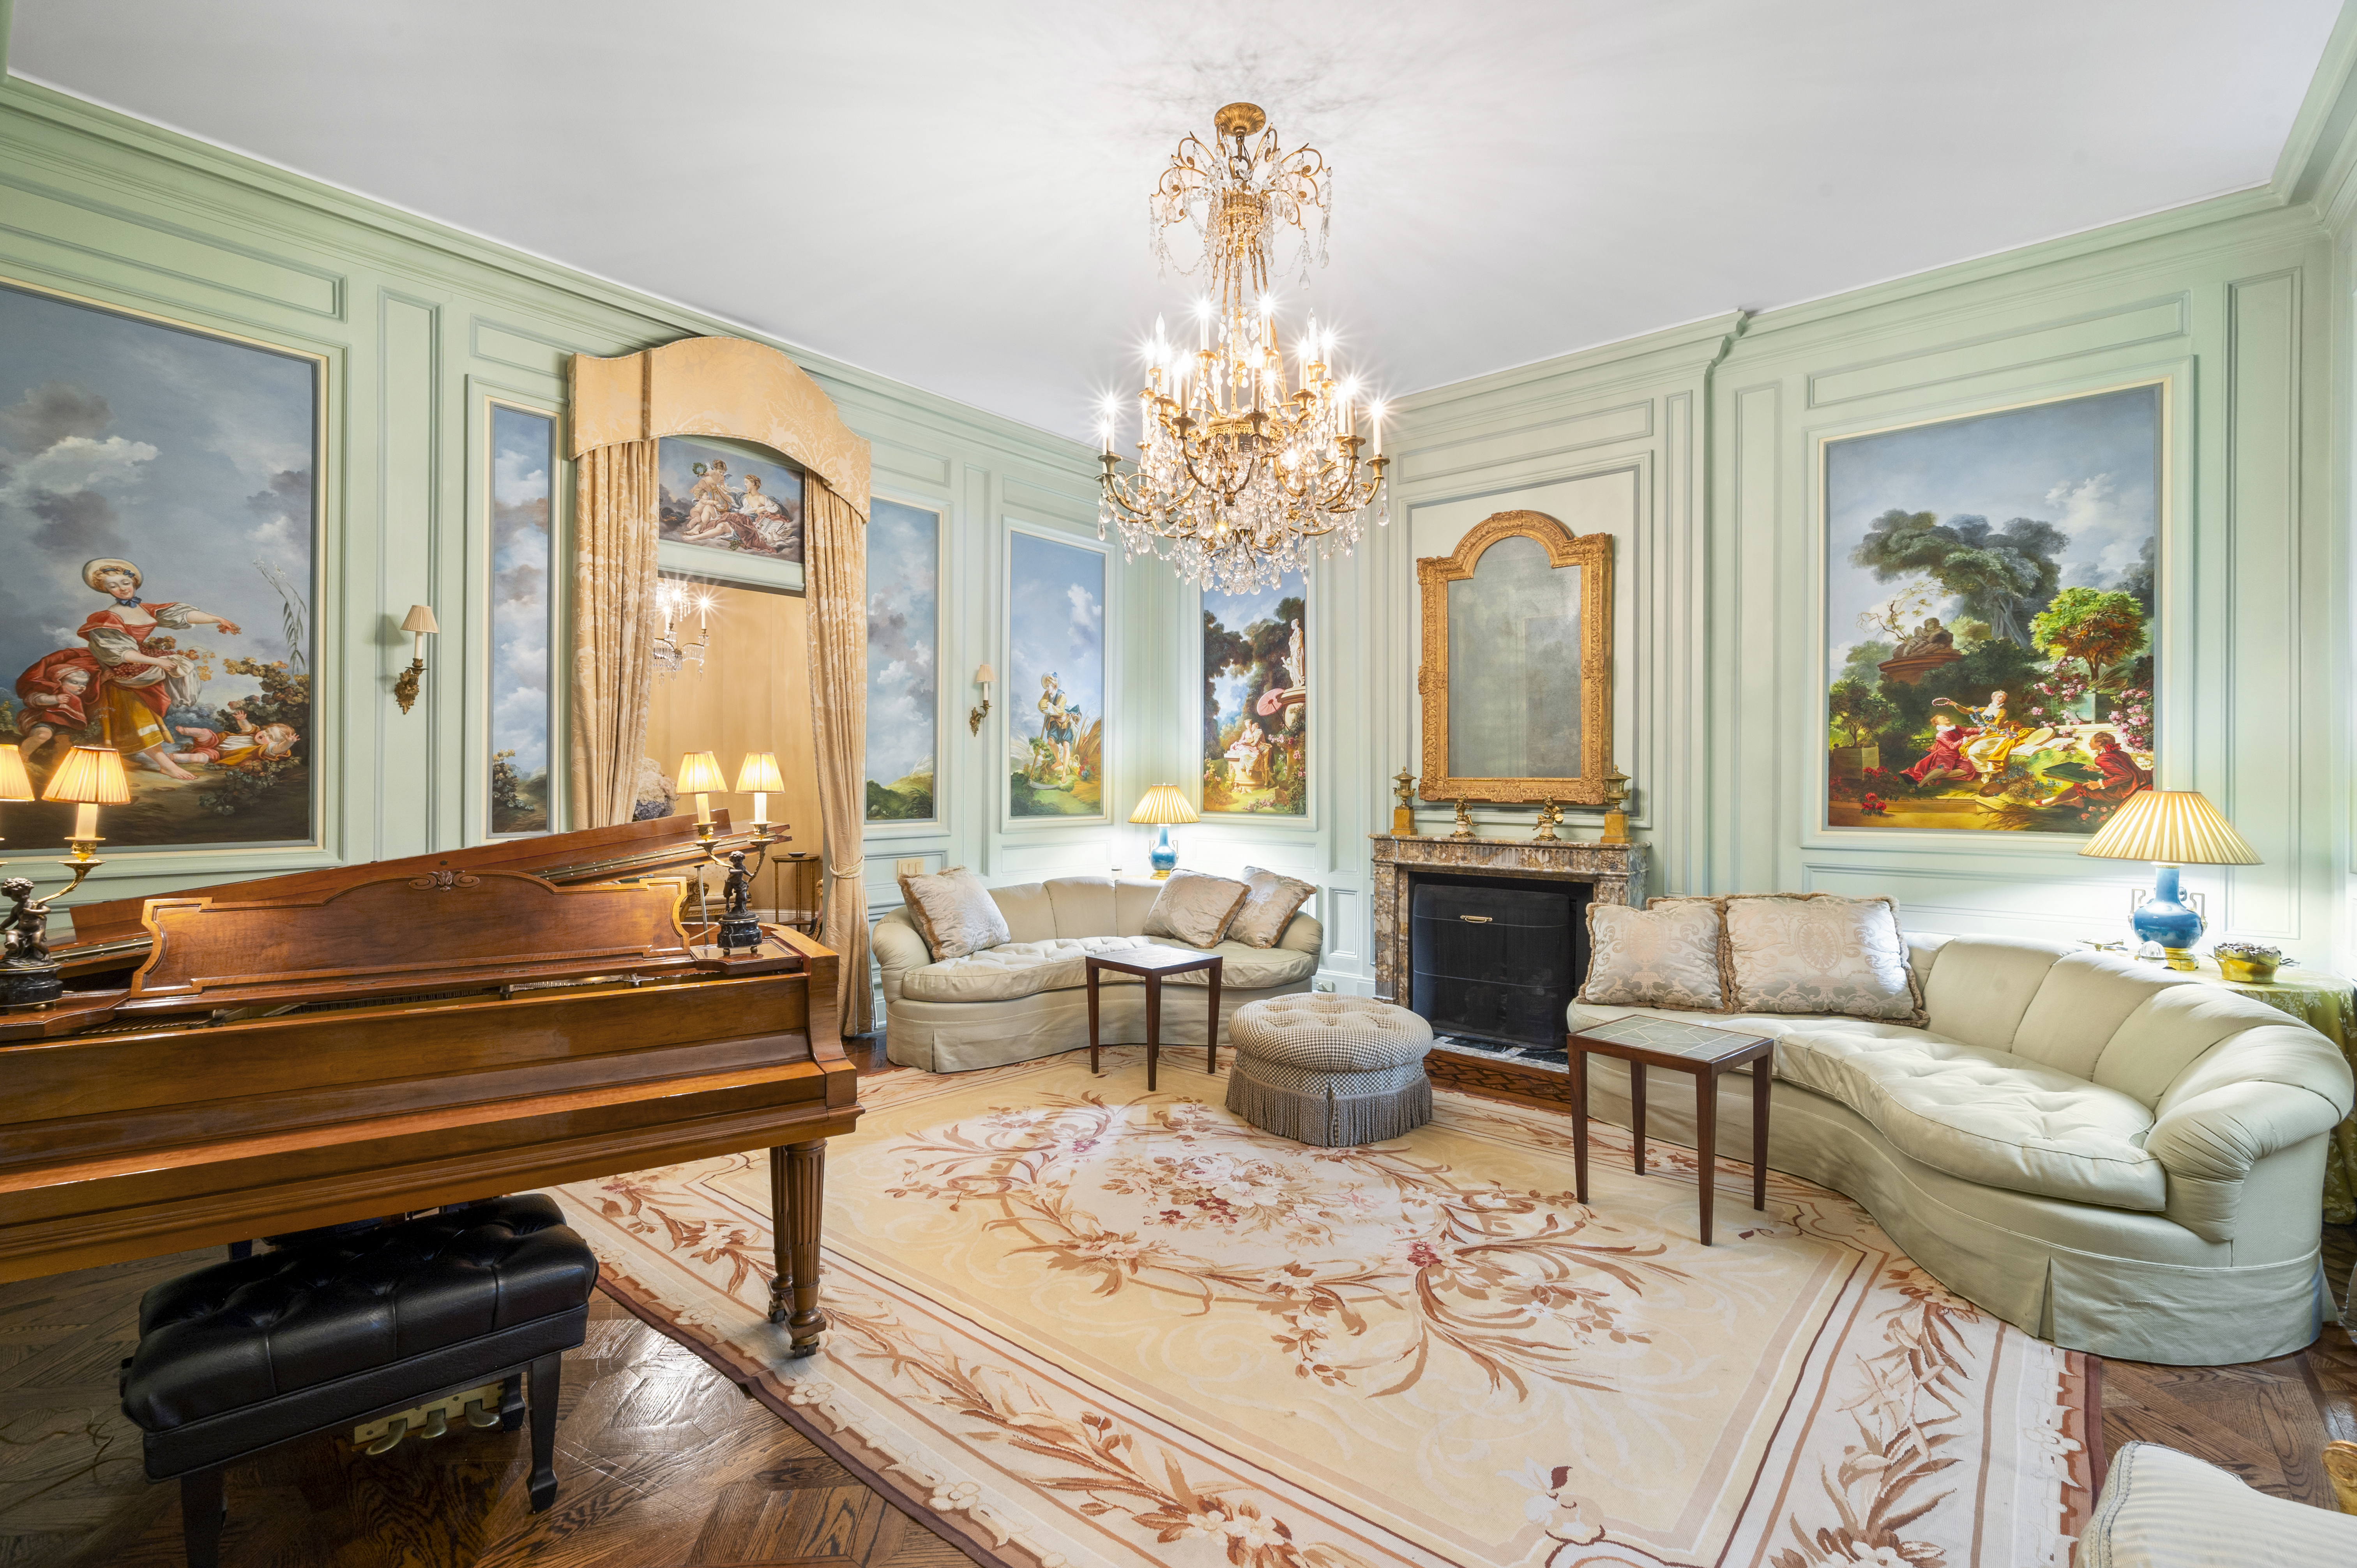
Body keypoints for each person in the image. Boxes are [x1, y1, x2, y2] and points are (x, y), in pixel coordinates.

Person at [75, 558, 241, 780]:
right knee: (138, 716)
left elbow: (182, 615)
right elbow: (118, 651)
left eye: (125, 582)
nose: (121, 589)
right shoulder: (107, 618)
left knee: (146, 711)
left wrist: (217, 619)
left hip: (142, 667)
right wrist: (157, 662)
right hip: (119, 669)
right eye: (113, 586)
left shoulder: (146, 609)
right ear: (106, 590)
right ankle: (166, 765)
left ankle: (143, 759)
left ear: (133, 582)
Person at [12, 649, 102, 765]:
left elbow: (91, 695)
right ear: (59, 681)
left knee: (65, 743)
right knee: (43, 735)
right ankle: (23, 754)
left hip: (65, 725)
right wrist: (55, 699)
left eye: (84, 684)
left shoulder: (77, 698)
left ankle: (58, 766)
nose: (81, 687)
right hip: (44, 721)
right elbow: (34, 699)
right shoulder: (51, 690)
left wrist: (104, 679)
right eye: (75, 683)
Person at [2039, 731, 2153, 810]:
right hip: (2139, 782)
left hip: (2126, 790)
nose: (2089, 743)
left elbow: (2126, 776)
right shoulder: (2120, 753)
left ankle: (2049, 802)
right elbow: (2122, 770)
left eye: (2091, 741)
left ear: (2098, 744)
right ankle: (2077, 802)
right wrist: (2098, 769)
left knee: (2081, 786)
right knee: (2084, 782)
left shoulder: (2102, 758)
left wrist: (2100, 784)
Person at [1904, 719, 1980, 787]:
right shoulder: (1941, 734)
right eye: (1943, 718)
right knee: (1944, 768)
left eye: (1946, 717)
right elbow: (1952, 746)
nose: (1947, 718)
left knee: (1968, 769)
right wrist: (1966, 739)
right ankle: (1920, 785)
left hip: (1958, 756)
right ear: (1937, 722)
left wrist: (1987, 728)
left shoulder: (1956, 728)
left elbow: (1971, 730)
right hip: (1945, 756)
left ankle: (1935, 777)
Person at [678, 461, 740, 542]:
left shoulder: (721, 479)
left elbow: (722, 485)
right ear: (716, 469)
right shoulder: (712, 473)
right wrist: (702, 474)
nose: (722, 474)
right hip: (707, 486)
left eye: (723, 472)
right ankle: (695, 530)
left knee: (708, 502)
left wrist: (723, 488)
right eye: (720, 472)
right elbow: (706, 474)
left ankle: (696, 532)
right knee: (705, 497)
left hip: (720, 511)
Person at [735, 474, 795, 553]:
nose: (745, 484)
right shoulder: (746, 499)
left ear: (753, 483)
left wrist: (764, 509)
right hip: (748, 520)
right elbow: (743, 511)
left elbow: (776, 508)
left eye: (747, 482)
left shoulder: (762, 498)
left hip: (758, 522)